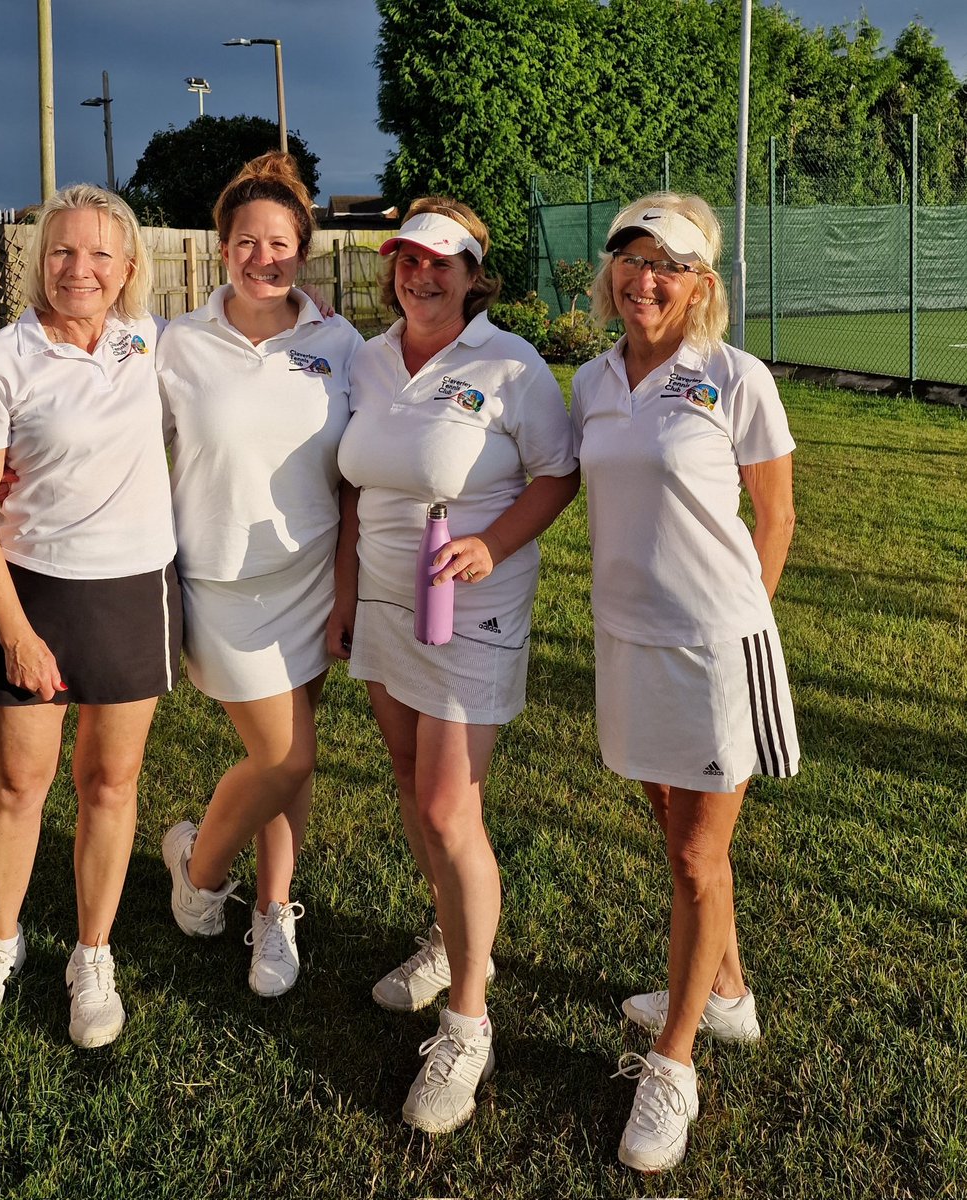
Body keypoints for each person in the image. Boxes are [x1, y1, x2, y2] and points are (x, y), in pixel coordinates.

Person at [336, 198, 579, 1133]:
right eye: (408, 259)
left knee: (447, 806)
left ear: (474, 274)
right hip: (385, 603)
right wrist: (347, 592)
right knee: (409, 782)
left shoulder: (510, 364)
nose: (421, 275)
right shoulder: (366, 359)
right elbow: (354, 490)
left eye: (442, 262)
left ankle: (468, 1025)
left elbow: (557, 473)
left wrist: (493, 544)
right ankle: (447, 938)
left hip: (472, 606)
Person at [571, 193, 800, 1172]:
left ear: (701, 284)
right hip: (625, 640)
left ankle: (674, 1064)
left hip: (714, 648)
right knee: (676, 836)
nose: (646, 279)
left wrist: (740, 621)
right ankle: (726, 994)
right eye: (631, 258)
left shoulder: (735, 377)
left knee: (701, 858)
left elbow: (775, 517)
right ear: (611, 271)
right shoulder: (589, 381)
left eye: (669, 265)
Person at [0, 185, 180, 1048]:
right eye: (62, 251)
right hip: (34, 592)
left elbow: (249, 339)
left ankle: (92, 955)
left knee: (110, 784)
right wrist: (16, 633)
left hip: (133, 589)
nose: (80, 269)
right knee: (19, 784)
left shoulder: (151, 340)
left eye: (100, 254)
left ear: (128, 267)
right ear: (40, 259)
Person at [157, 153, 362, 997]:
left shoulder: (340, 343)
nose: (263, 258)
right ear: (221, 248)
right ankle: (198, 871)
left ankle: (274, 910)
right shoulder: (176, 342)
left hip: (310, 579)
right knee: (284, 755)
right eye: (246, 241)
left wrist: (346, 589)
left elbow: (359, 475)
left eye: (280, 243)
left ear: (303, 252)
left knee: (291, 760)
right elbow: (115, 435)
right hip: (220, 588)